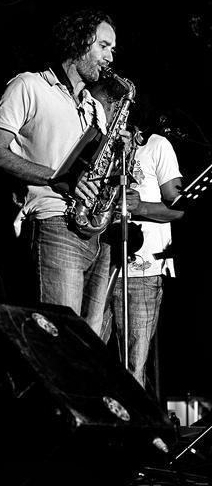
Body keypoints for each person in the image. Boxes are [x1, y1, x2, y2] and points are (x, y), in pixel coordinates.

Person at [0, 8, 129, 335]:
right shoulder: (29, 85)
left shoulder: (94, 107)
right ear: (79, 42)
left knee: (90, 343)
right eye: (103, 46)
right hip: (54, 221)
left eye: (112, 49)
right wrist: (57, 178)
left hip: (96, 230)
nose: (110, 57)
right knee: (63, 338)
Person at [102, 105, 184, 387]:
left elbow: (179, 209)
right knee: (89, 356)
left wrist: (140, 207)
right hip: (100, 262)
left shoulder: (157, 145)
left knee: (133, 367)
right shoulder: (101, 145)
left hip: (142, 270)